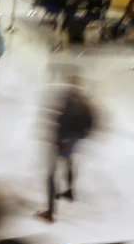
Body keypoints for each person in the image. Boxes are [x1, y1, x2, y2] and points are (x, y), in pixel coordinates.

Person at [36, 73, 95, 224]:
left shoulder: (70, 101)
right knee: (68, 161)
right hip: (72, 141)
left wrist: (60, 138)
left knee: (51, 175)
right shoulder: (82, 101)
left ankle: (50, 212)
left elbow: (62, 120)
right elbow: (89, 125)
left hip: (62, 141)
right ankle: (69, 191)